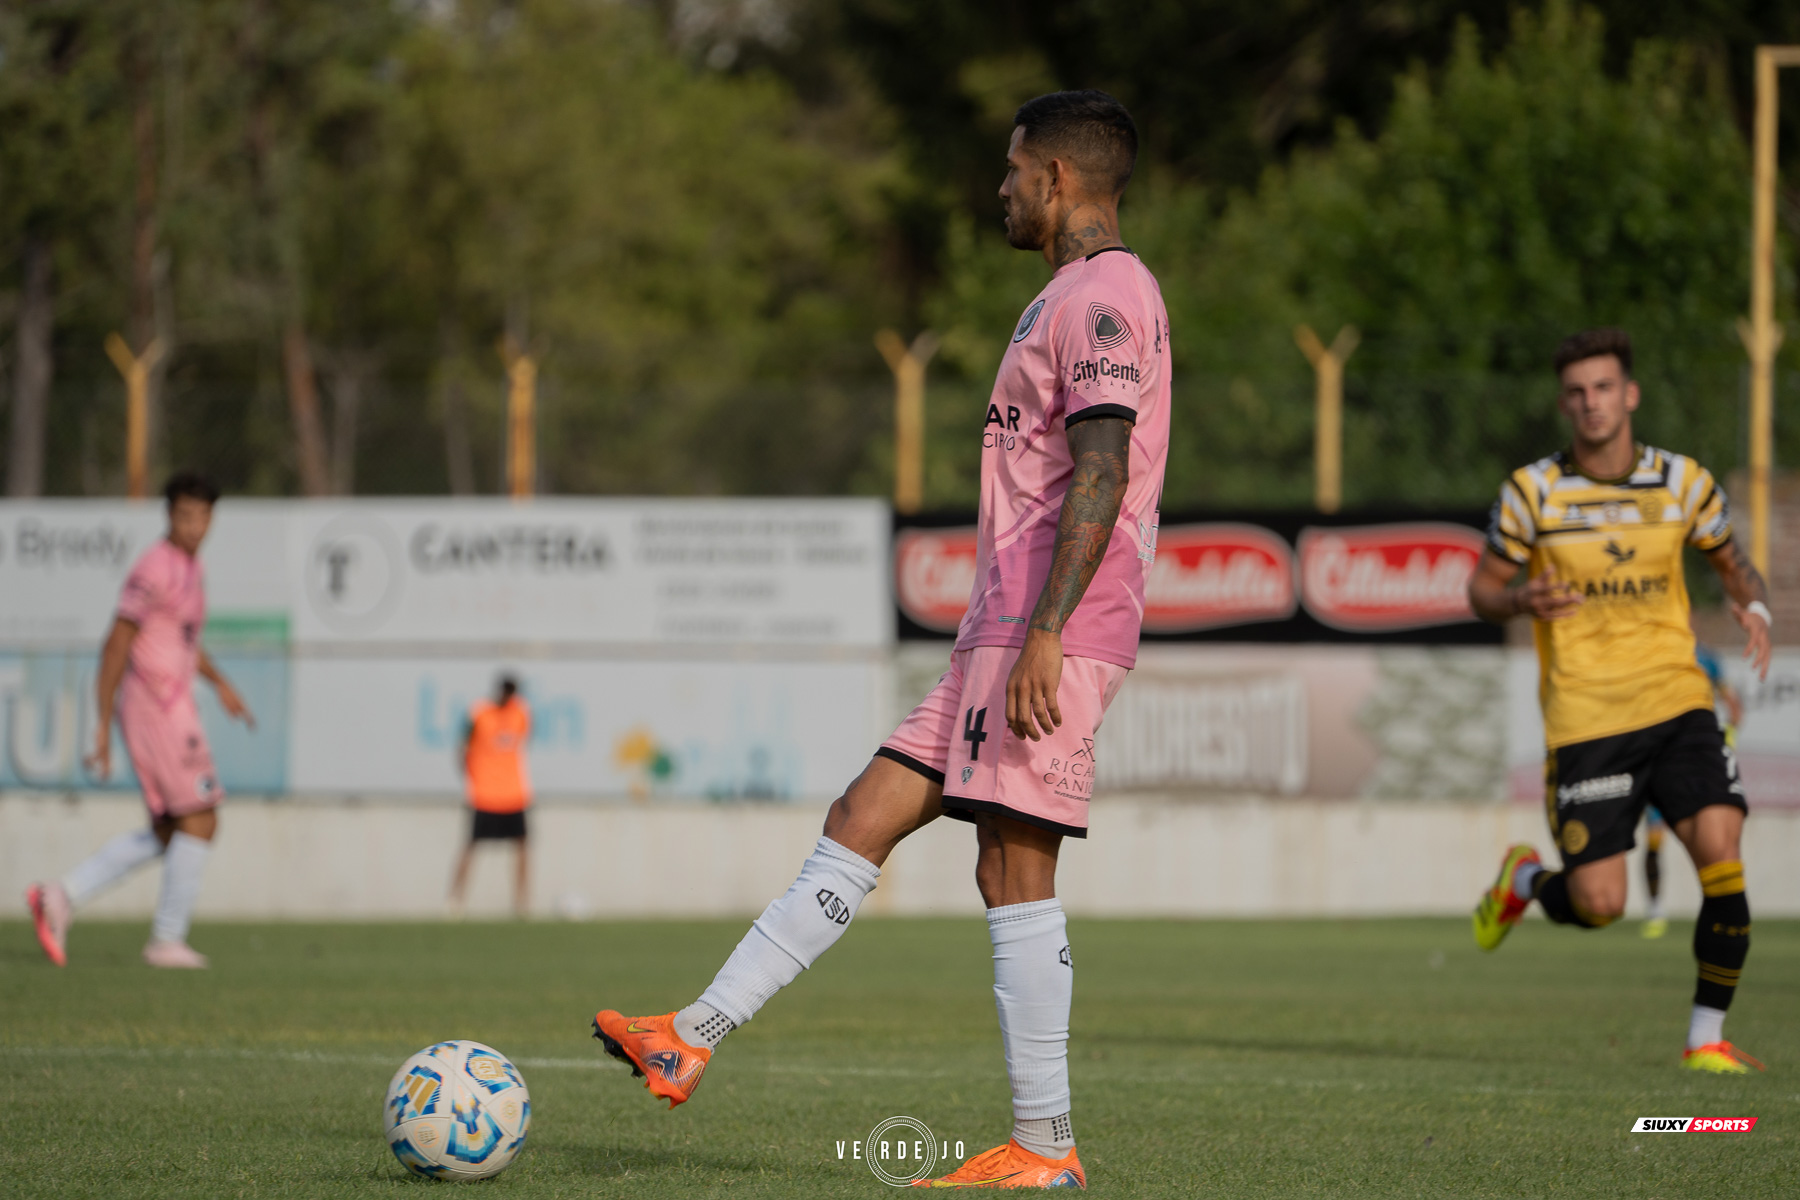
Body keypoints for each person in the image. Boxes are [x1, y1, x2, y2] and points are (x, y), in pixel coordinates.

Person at [592, 90, 1168, 1189]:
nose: (997, 189)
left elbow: (1103, 465)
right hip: (996, 632)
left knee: (1012, 865)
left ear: (1056, 180)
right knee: (862, 813)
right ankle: (690, 1037)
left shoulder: (1102, 295)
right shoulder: (1059, 297)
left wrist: (1049, 631)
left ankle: (1044, 1148)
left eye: (1010, 171)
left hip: (1051, 627)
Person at [1467, 329, 1773, 1074]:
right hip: (1587, 718)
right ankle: (1529, 881)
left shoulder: (1682, 482)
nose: (1591, 403)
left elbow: (1734, 564)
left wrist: (1754, 610)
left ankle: (1705, 1040)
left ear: (1629, 394)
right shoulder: (1532, 491)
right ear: (1563, 403)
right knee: (1601, 904)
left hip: (1678, 700)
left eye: (1604, 387)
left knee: (1721, 854)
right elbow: (1479, 591)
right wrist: (1517, 599)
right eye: (1577, 391)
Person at [25, 471, 255, 969]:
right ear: (169, 515)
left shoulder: (191, 568)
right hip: (155, 708)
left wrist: (219, 683)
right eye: (185, 515)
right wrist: (102, 726)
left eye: (203, 515)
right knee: (201, 816)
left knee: (171, 830)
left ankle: (60, 895)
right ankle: (166, 940)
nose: (194, 525)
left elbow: (182, 640)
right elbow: (116, 644)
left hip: (173, 705)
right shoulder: (154, 569)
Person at [1642, 633, 1744, 940]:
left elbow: (1733, 705)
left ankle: (1716, 908)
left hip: (1702, 759)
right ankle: (1655, 910)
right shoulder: (1654, 653)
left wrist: (1727, 739)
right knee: (1654, 841)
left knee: (1710, 841)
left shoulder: (1708, 659)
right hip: (1661, 758)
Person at [449, 674, 533, 917]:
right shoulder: (479, 713)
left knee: (522, 848)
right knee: (470, 846)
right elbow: (463, 746)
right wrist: (472, 776)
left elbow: (523, 741)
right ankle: (455, 902)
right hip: (484, 794)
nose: (508, 697)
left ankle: (521, 905)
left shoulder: (521, 713)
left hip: (514, 793)